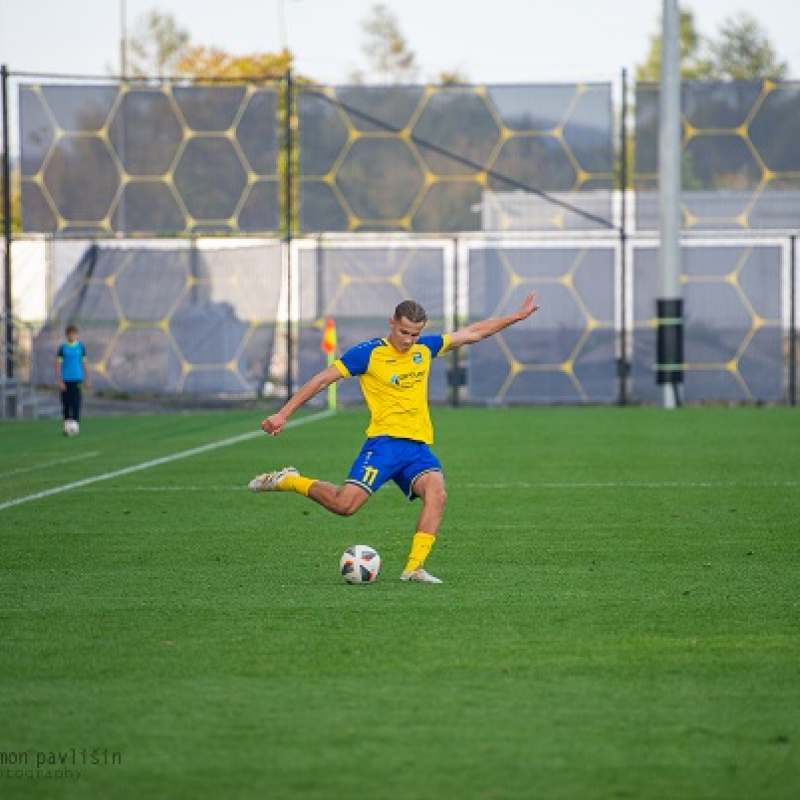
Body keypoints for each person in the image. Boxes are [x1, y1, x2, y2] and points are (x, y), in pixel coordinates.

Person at [249, 292, 540, 583]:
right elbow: (321, 380)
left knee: (437, 493)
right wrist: (283, 414)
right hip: (384, 445)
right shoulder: (368, 353)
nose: (409, 340)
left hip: (417, 448)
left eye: (415, 334)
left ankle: (414, 568)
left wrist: (515, 317)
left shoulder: (424, 349)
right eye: (403, 332)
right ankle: (289, 480)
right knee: (344, 506)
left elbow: (472, 333)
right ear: (391, 324)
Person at [55, 324, 90, 435]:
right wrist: (59, 380)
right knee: (66, 403)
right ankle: (66, 425)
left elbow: (84, 363)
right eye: (70, 334)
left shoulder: (80, 347)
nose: (72, 336)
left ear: (76, 335)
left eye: (74, 334)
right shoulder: (62, 348)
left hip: (77, 379)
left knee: (76, 403)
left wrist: (88, 378)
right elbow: (58, 365)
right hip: (66, 379)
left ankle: (75, 426)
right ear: (66, 335)